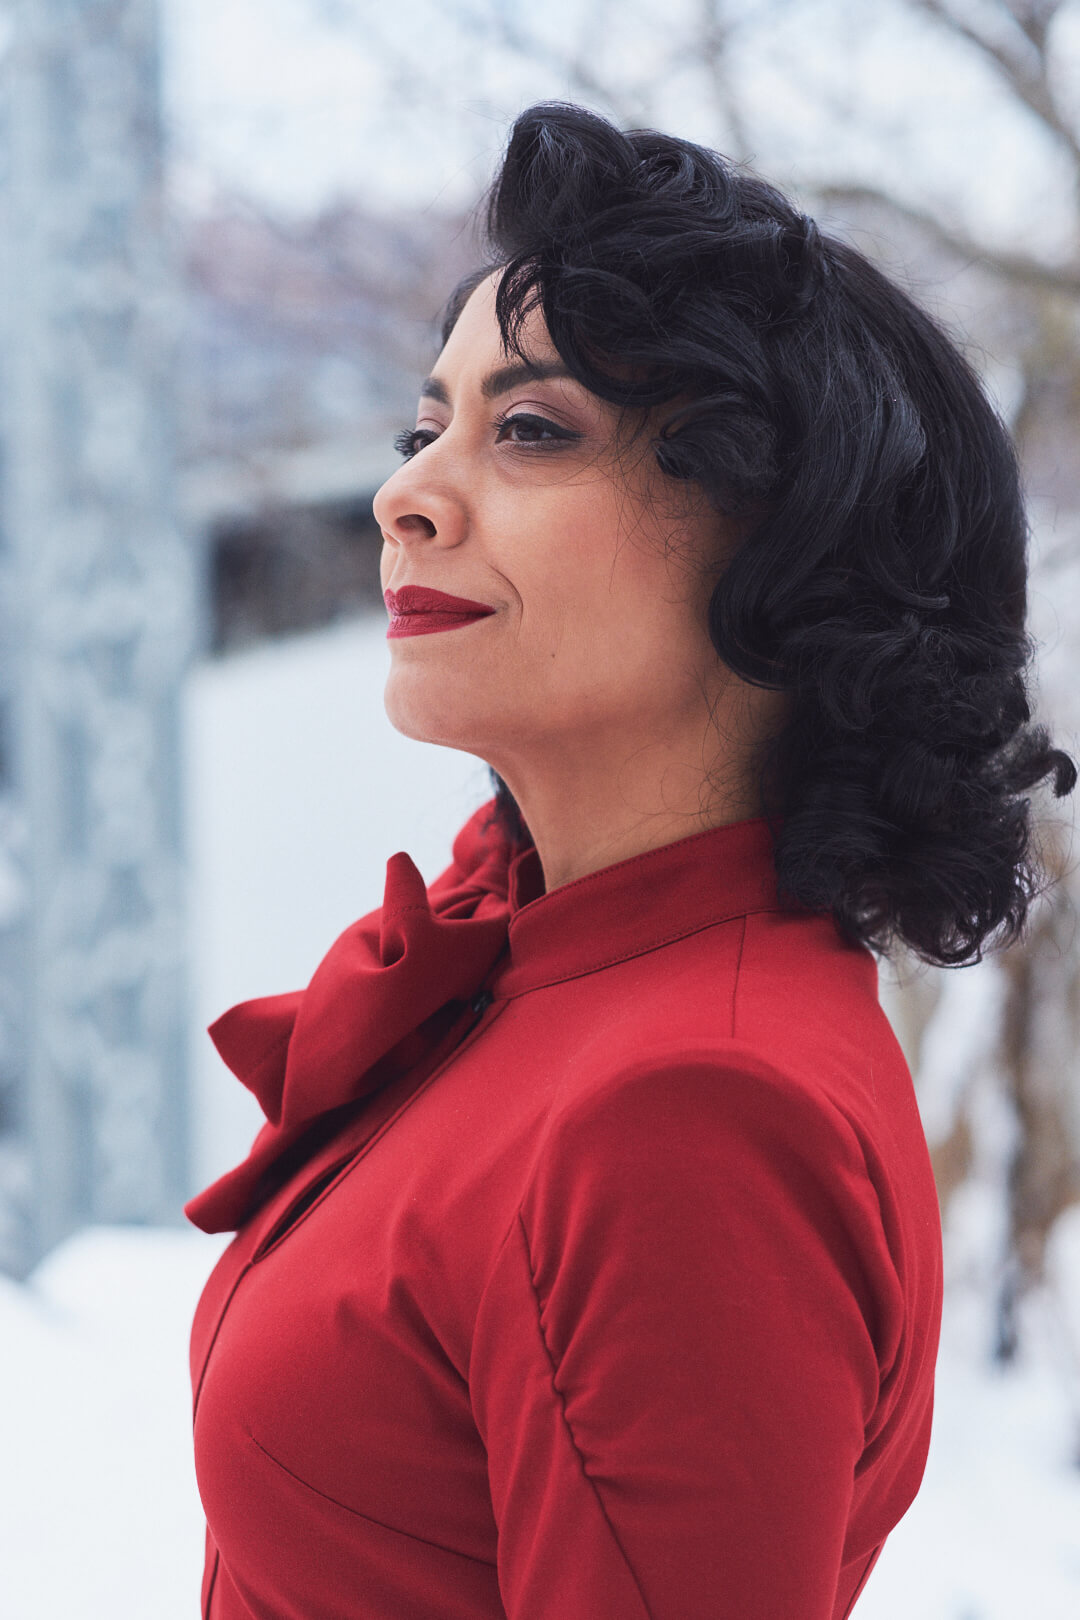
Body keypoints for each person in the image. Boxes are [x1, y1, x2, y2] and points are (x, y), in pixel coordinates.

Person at [186, 102, 1076, 1620]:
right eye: (430, 423)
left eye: (530, 430)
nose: (408, 493)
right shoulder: (559, 973)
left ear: (787, 547)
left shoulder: (688, 1112)